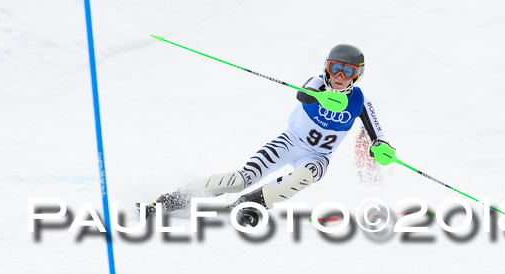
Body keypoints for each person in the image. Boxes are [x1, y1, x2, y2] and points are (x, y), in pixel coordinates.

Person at [144, 44, 393, 225]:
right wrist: (320, 97)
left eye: (347, 72)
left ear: (358, 74)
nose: (339, 77)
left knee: (303, 178)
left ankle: (247, 204)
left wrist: (381, 148)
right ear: (326, 68)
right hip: (288, 143)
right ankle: (174, 199)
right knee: (240, 179)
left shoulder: (360, 101)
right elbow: (303, 94)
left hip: (318, 157)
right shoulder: (317, 84)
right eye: (335, 68)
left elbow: (377, 135)